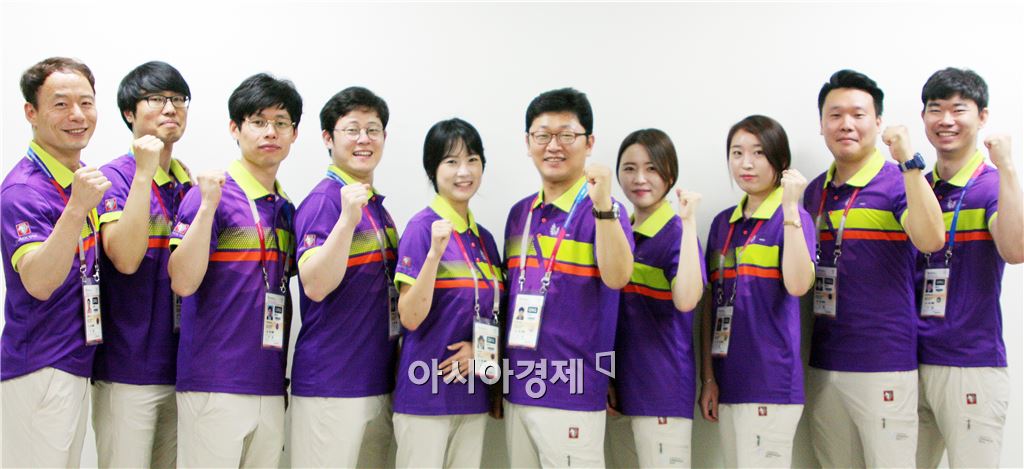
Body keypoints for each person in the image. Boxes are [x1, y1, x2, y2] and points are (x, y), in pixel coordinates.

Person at [803, 69, 946, 468]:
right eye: (835, 115)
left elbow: (931, 239)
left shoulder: (898, 182)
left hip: (884, 363)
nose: (846, 124)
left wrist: (909, 162)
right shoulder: (813, 192)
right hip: (825, 362)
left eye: (858, 114)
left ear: (878, 122)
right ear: (821, 124)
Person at [168, 73, 301, 468]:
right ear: (235, 128)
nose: (270, 132)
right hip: (214, 382)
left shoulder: (285, 208)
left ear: (294, 133)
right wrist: (208, 207)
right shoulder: (210, 196)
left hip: (270, 382)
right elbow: (182, 280)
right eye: (258, 121)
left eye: (281, 122)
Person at [502, 87, 634, 467]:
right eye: (542, 135)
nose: (553, 146)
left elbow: (617, 277)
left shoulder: (606, 212)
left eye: (567, 135)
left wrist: (603, 205)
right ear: (528, 143)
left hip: (573, 391)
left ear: (589, 143)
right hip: (517, 388)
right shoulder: (520, 214)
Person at [1, 56, 109, 469]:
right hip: (39, 368)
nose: (77, 115)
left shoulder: (76, 179)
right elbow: (40, 282)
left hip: (74, 363)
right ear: (31, 112)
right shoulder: (23, 190)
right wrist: (78, 208)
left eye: (86, 102)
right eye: (60, 104)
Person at [915, 68, 1023, 469]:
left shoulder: (992, 186)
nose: (946, 120)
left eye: (958, 109)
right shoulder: (917, 187)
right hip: (909, 359)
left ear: (982, 116)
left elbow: (1015, 250)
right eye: (935, 109)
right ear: (923, 117)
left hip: (970, 362)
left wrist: (1008, 167)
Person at [697, 116, 816, 468]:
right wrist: (708, 378)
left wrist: (791, 208)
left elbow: (798, 285)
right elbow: (711, 305)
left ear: (781, 161)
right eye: (737, 153)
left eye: (758, 153)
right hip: (728, 380)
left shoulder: (793, 218)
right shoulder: (723, 224)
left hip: (771, 382)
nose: (746, 163)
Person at [91, 61, 192, 468]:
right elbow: (125, 258)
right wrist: (143, 174)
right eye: (156, 99)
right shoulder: (113, 178)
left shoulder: (189, 187)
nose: (170, 108)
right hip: (127, 369)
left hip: (183, 368)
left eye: (178, 99)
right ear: (129, 113)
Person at [290, 86, 397, 468]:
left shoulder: (377, 208)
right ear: (328, 138)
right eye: (352, 129)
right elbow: (315, 284)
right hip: (331, 384)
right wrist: (347, 220)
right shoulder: (325, 201)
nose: (364, 139)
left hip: (375, 380)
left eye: (373, 129)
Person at [392, 117, 504, 468]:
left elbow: (492, 315)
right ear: (433, 169)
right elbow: (410, 317)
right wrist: (434, 255)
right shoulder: (421, 228)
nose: (463, 171)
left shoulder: (484, 239)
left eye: (472, 160)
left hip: (472, 393)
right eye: (451, 161)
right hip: (424, 394)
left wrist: (481, 352)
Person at [604, 129, 705, 468]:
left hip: (662, 391)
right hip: (620, 392)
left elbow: (687, 299)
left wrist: (689, 223)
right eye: (629, 168)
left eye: (651, 168)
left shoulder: (677, 233)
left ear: (670, 174)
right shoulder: (617, 233)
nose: (639, 179)